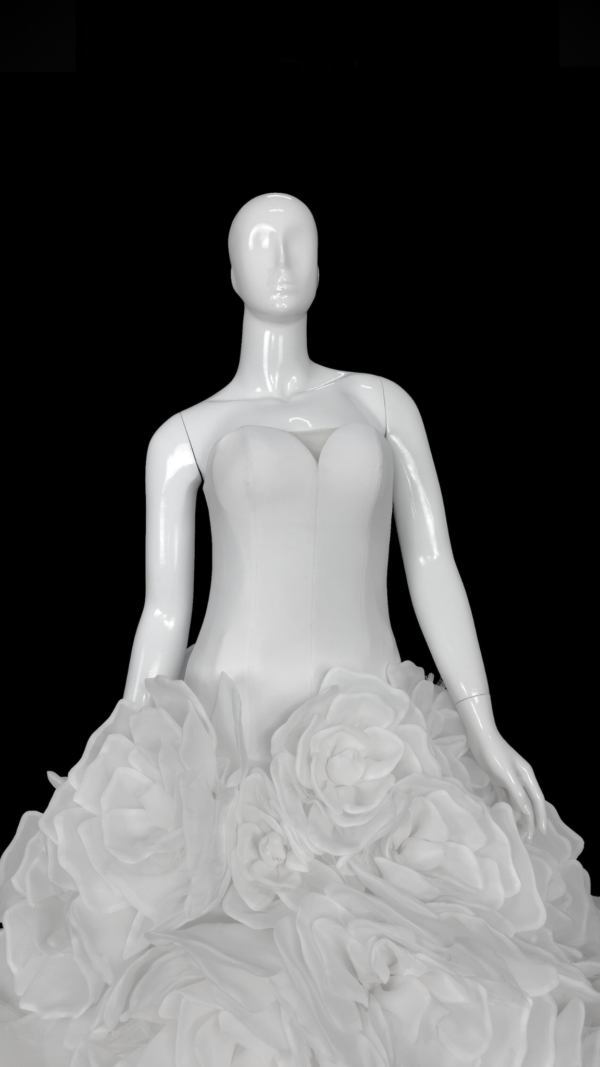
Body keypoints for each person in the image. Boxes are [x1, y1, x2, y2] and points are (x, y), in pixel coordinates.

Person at [0, 193, 598, 1066]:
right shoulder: (185, 435)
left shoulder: (382, 404)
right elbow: (164, 610)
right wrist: (129, 746)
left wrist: (482, 718)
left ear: (321, 265)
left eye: (298, 243)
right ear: (231, 270)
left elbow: (434, 565)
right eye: (261, 244)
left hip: (375, 746)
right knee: (226, 993)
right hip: (232, 737)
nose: (281, 259)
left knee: (413, 981)